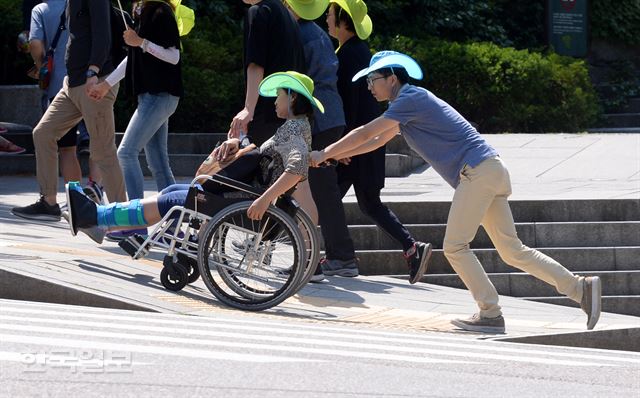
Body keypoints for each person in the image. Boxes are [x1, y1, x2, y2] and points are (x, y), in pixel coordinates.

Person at [310, 50, 602, 333]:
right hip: (490, 170)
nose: (369, 86)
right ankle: (579, 288)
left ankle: (489, 312)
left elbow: (365, 132)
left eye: (372, 78)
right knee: (513, 250)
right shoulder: (407, 105)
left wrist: (324, 152)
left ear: (392, 79)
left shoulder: (411, 98)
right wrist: (335, 154)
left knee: (455, 247)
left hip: (476, 173)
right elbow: (374, 141)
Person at [66, 71, 321, 246]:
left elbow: (296, 170)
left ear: (293, 97)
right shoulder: (295, 129)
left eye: (279, 95)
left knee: (174, 199)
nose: (275, 100)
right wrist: (238, 142)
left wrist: (264, 200)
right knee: (174, 192)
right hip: (240, 195)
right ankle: (100, 218)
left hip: (242, 200)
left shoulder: (295, 133)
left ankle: (96, 218)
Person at [322, 0, 431, 281]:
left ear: (345, 21)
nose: (326, 19)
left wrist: (342, 146)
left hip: (356, 144)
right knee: (363, 201)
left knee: (325, 197)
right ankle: (410, 247)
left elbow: (353, 105)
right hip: (359, 144)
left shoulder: (350, 56)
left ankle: (332, 256)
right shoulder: (352, 52)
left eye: (331, 15)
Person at [12, 0, 127, 221]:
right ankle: (49, 203)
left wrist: (93, 71)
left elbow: (103, 33)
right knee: (43, 133)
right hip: (71, 84)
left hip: (94, 81)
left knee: (103, 151)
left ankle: (123, 217)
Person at [89, 0, 184, 238]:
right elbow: (133, 57)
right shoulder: (142, 14)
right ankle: (174, 227)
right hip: (154, 98)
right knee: (159, 164)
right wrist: (106, 84)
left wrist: (140, 42)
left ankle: (135, 223)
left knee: (126, 152)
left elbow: (173, 56)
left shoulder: (161, 12)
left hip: (159, 97)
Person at [283, 0, 355, 283]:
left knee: (318, 192)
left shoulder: (299, 34)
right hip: (332, 114)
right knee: (322, 191)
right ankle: (336, 255)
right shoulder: (316, 33)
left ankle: (338, 257)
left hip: (318, 117)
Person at [29, 0, 103, 199]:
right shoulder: (81, 5)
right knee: (99, 138)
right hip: (91, 81)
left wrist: (40, 64)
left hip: (59, 86)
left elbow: (35, 43)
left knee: (67, 148)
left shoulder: (41, 10)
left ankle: (75, 200)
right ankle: (96, 185)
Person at [228, 0, 306, 146]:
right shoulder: (288, 15)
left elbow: (256, 64)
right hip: (288, 112)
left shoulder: (258, 11)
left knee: (260, 165)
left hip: (266, 113)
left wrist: (248, 109)